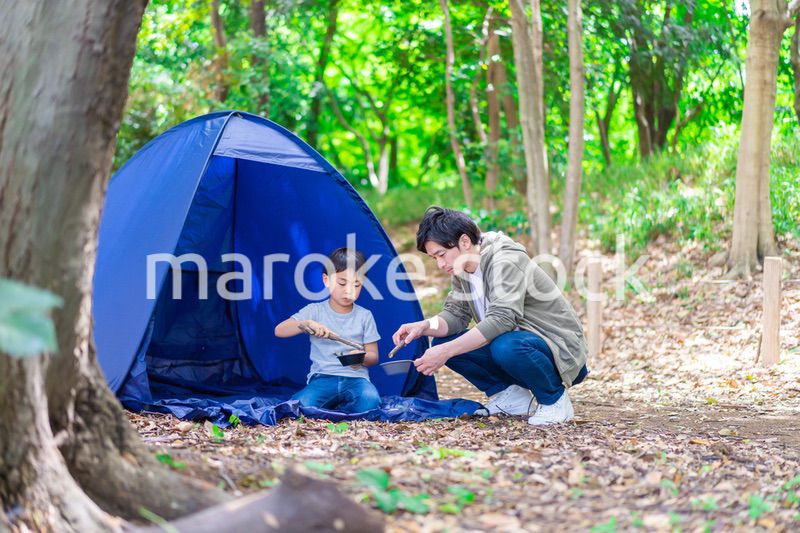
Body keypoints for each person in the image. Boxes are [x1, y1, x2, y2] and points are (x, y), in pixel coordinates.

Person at [392, 206, 588, 425]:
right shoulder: (462, 268)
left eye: (441, 255)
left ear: (464, 242)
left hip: (559, 350)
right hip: (519, 346)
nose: (440, 264)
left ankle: (554, 400)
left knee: (503, 345)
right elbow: (456, 315)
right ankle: (512, 395)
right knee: (443, 340)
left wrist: (444, 352)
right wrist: (424, 326)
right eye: (434, 258)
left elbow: (502, 319)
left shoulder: (504, 259)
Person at [275, 247, 381, 413]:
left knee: (371, 400)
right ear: (326, 280)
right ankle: (336, 409)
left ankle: (335, 409)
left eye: (357, 285)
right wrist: (306, 324)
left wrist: (360, 358)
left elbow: (374, 356)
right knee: (299, 406)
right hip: (323, 378)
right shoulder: (314, 311)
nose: (349, 290)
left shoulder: (365, 316)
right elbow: (279, 331)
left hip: (357, 379)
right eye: (342, 283)